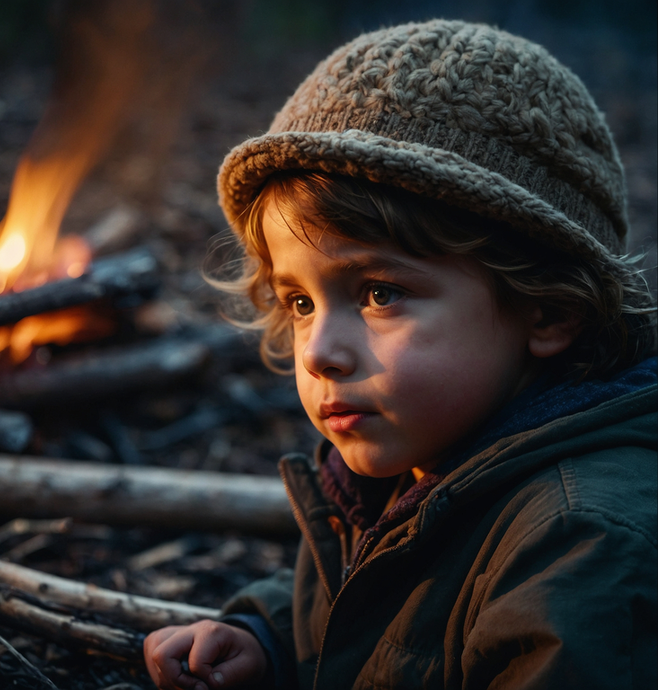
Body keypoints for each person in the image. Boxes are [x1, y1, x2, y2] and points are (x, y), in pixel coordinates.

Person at [143, 19, 657, 690]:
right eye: (300, 302)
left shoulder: (580, 542)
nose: (322, 351)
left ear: (550, 310)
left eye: (381, 294)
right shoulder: (418, 461)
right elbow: (381, 608)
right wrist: (266, 641)